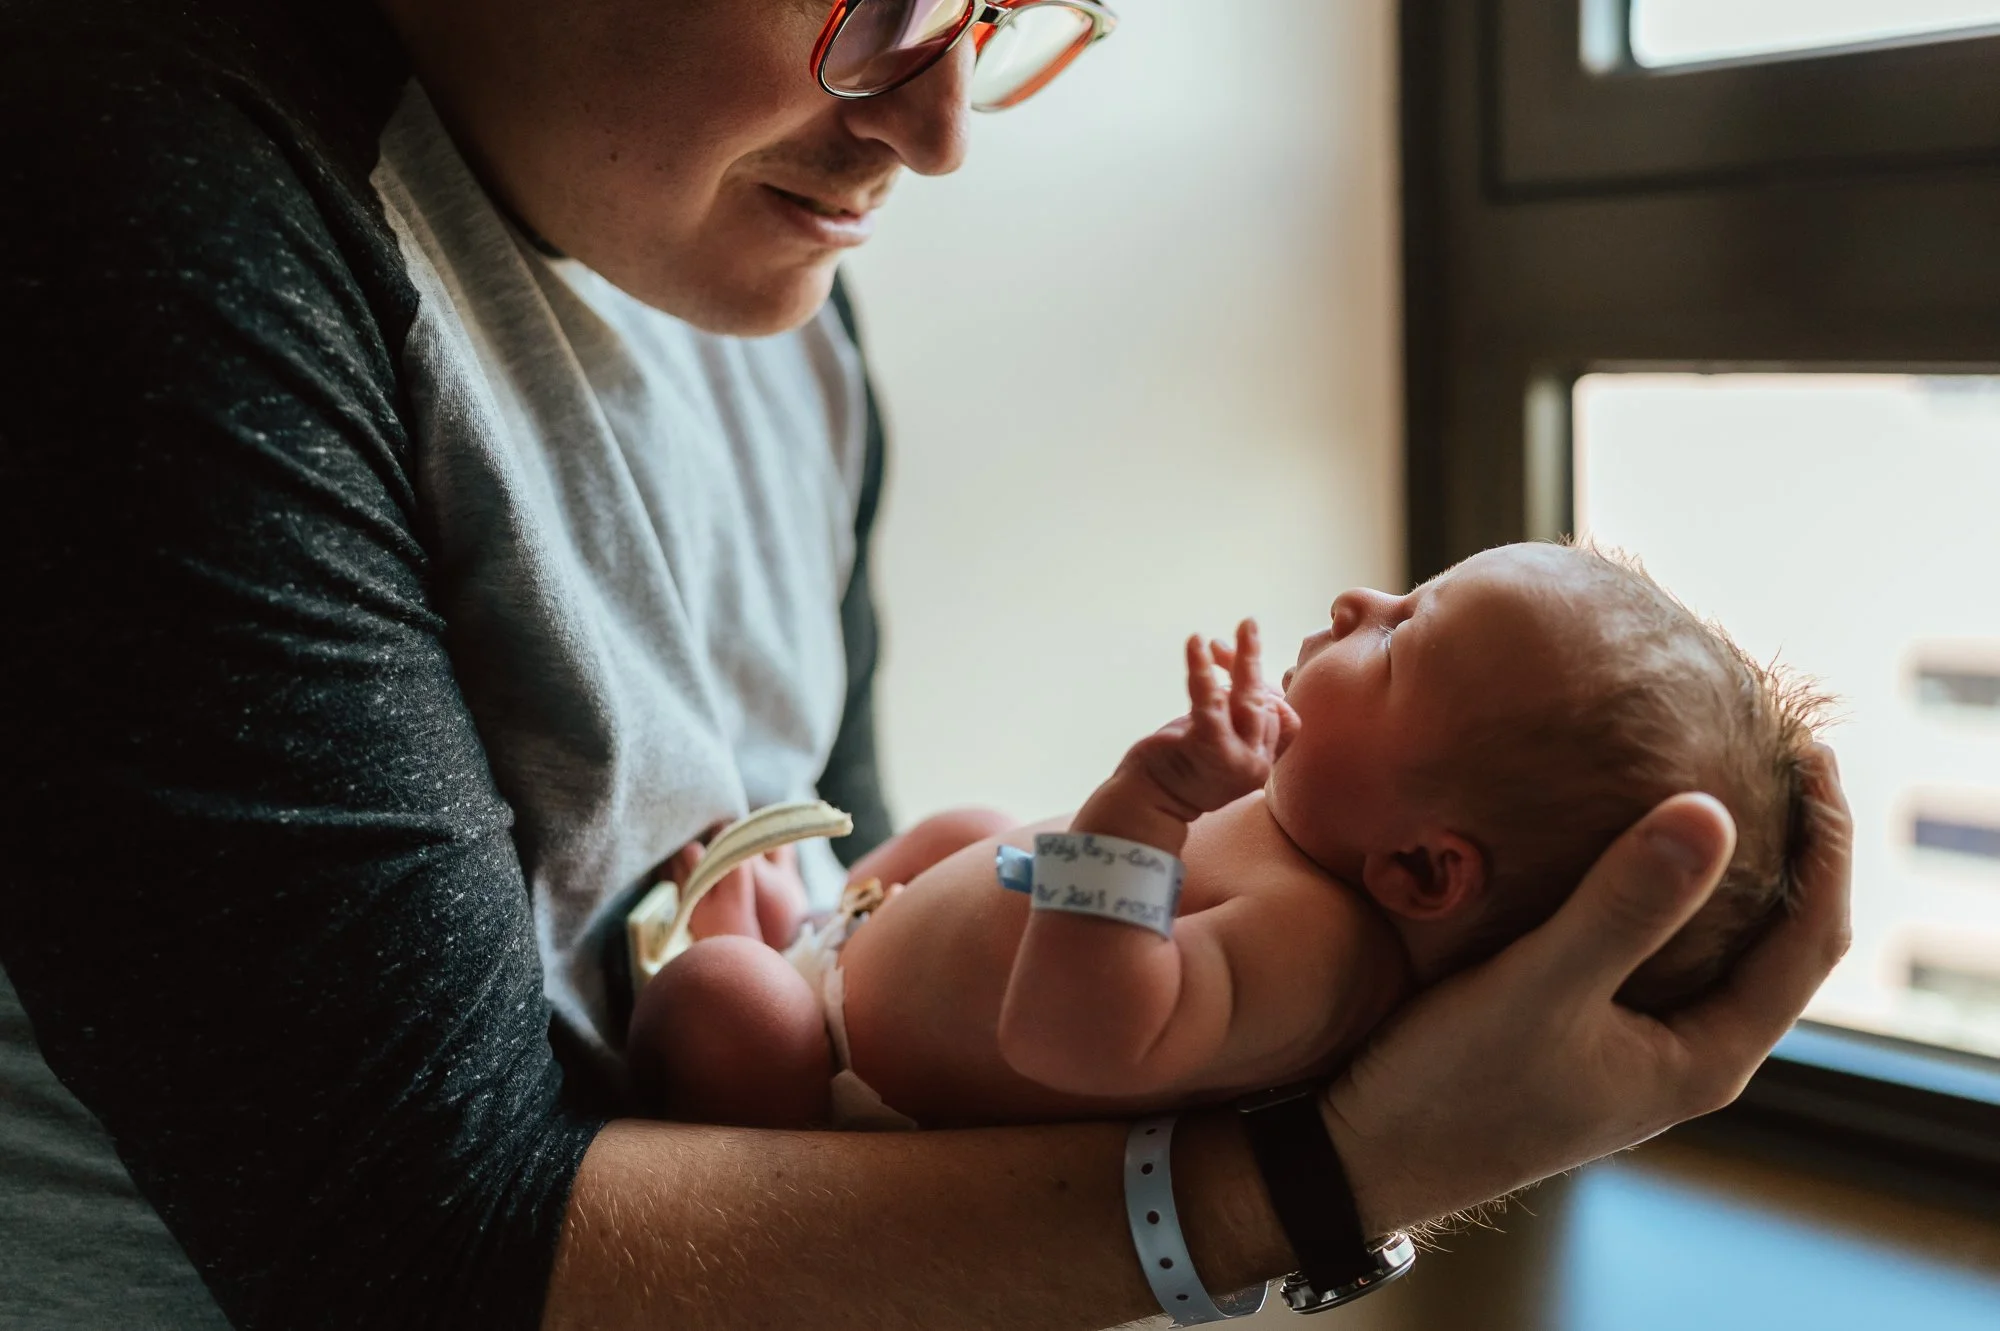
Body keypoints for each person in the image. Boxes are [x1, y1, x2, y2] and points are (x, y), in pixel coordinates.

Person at [0, 1, 1855, 1328]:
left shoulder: (789, 329)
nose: (943, 127)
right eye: (876, 3)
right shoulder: (153, 198)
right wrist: (1339, 1175)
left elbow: (869, 938)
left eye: (1001, 11)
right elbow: (428, 1258)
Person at [632, 542, 1831, 1129]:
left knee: (725, 1003)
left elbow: (1074, 1031)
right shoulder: (1309, 845)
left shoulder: (1315, 956)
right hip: (876, 959)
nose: (1359, 601)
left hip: (843, 1079)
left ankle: (757, 978)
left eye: (1398, 637)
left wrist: (1145, 800)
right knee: (974, 829)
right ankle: (811, 926)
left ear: (1422, 867)